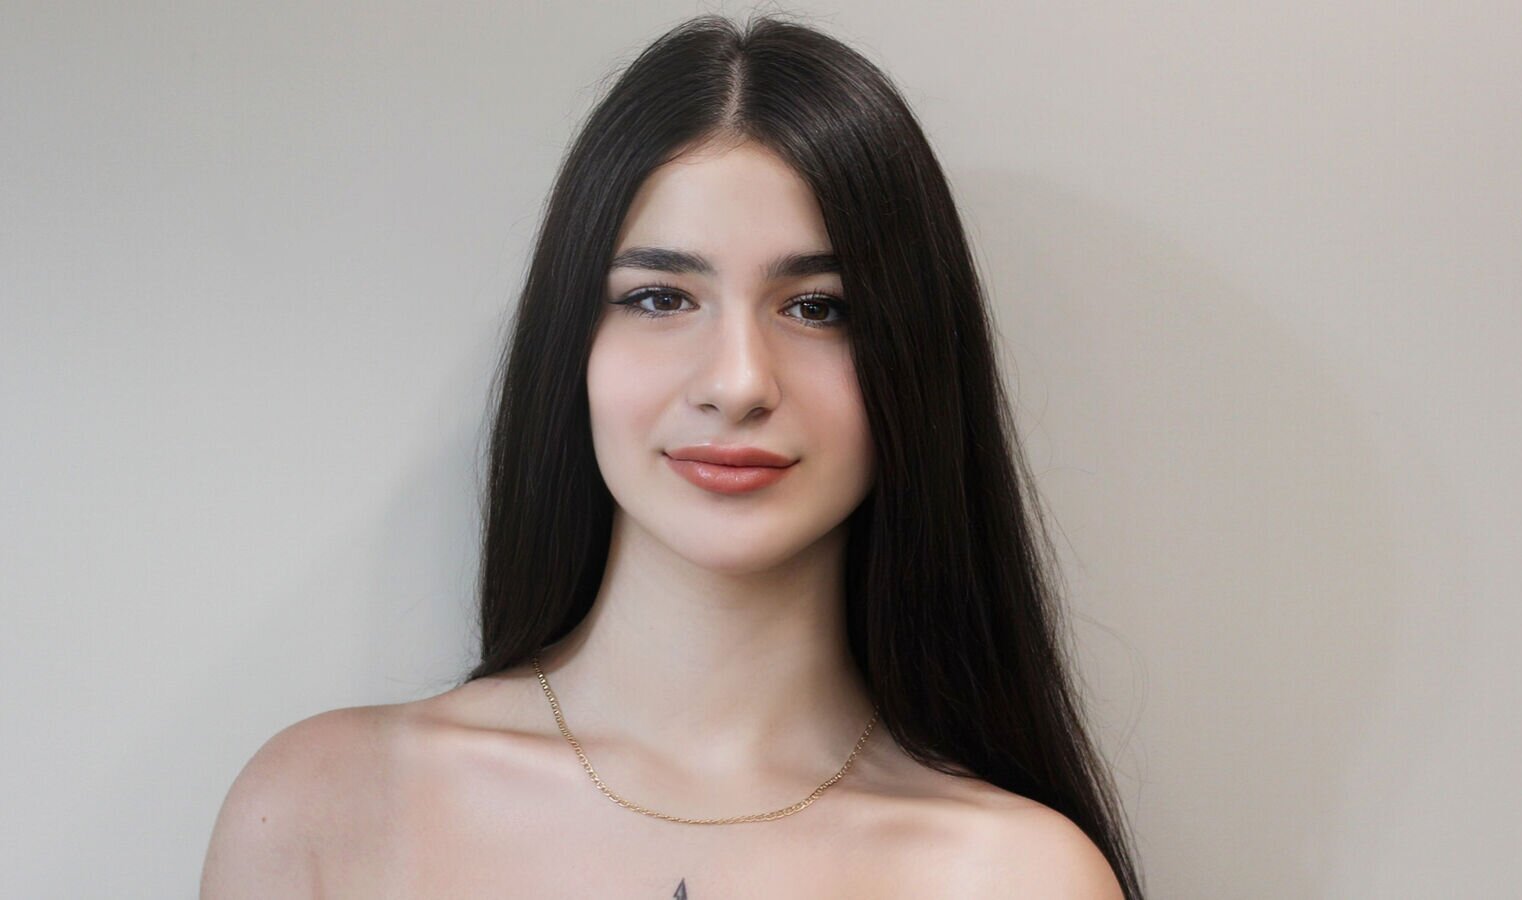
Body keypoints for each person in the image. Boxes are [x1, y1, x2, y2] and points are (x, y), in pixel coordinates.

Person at [201, 13, 1144, 898]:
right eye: (660, 298)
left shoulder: (1016, 876)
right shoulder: (325, 809)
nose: (737, 383)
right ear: (571, 344)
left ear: (918, 359)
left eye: (820, 308)